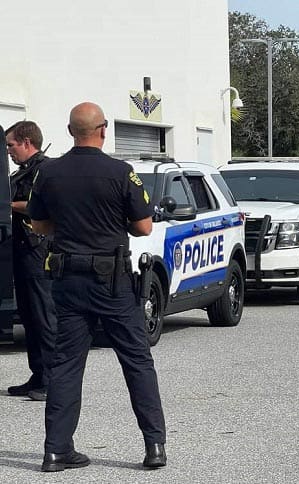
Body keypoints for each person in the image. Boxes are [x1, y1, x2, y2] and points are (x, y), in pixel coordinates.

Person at [27, 102, 167, 472]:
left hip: (68, 280)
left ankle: (56, 451)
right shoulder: (121, 172)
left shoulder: (49, 172)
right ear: (103, 129)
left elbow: (39, 225)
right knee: (136, 361)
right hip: (112, 282)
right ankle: (154, 446)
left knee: (65, 365)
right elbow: (144, 227)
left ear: (70, 131)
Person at [6, 121, 57, 401]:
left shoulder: (44, 170)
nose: (9, 151)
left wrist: (7, 205)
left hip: (38, 252)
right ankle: (38, 375)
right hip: (21, 251)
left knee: (43, 316)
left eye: (11, 145)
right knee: (28, 317)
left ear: (27, 142)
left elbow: (41, 206)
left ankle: (52, 381)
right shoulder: (22, 171)